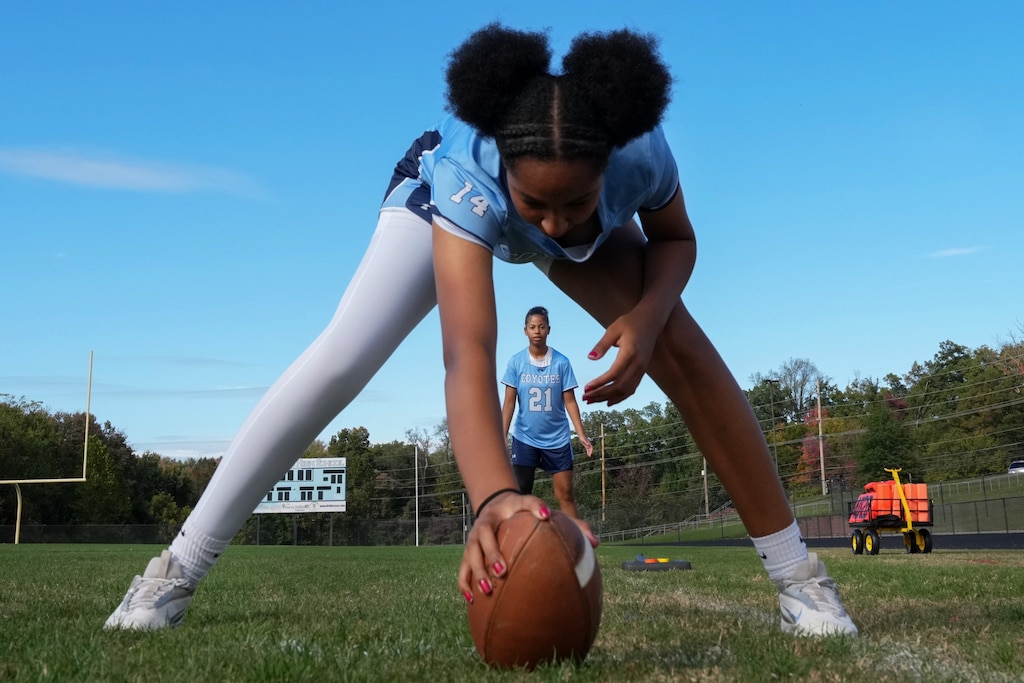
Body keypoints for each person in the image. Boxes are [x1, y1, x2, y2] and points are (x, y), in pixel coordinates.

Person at [105, 23, 857, 637]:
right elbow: (466, 353)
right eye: (541, 206)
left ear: (609, 168)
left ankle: (801, 579)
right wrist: (495, 495)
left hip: (547, 203)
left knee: (686, 353)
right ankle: (176, 567)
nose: (558, 226)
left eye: (578, 203)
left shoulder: (639, 152)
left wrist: (649, 317)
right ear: (509, 174)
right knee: (342, 358)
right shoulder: (471, 167)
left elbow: (677, 242)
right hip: (443, 196)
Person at [501, 306, 593, 518]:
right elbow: (508, 403)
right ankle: (517, 543)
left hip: (557, 439)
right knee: (521, 493)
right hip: (525, 438)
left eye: (541, 327)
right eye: (532, 327)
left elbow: (570, 401)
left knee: (565, 493)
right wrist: (501, 435)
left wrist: (581, 434)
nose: (537, 331)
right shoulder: (516, 362)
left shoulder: (562, 362)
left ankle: (575, 544)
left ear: (548, 330)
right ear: (525, 330)